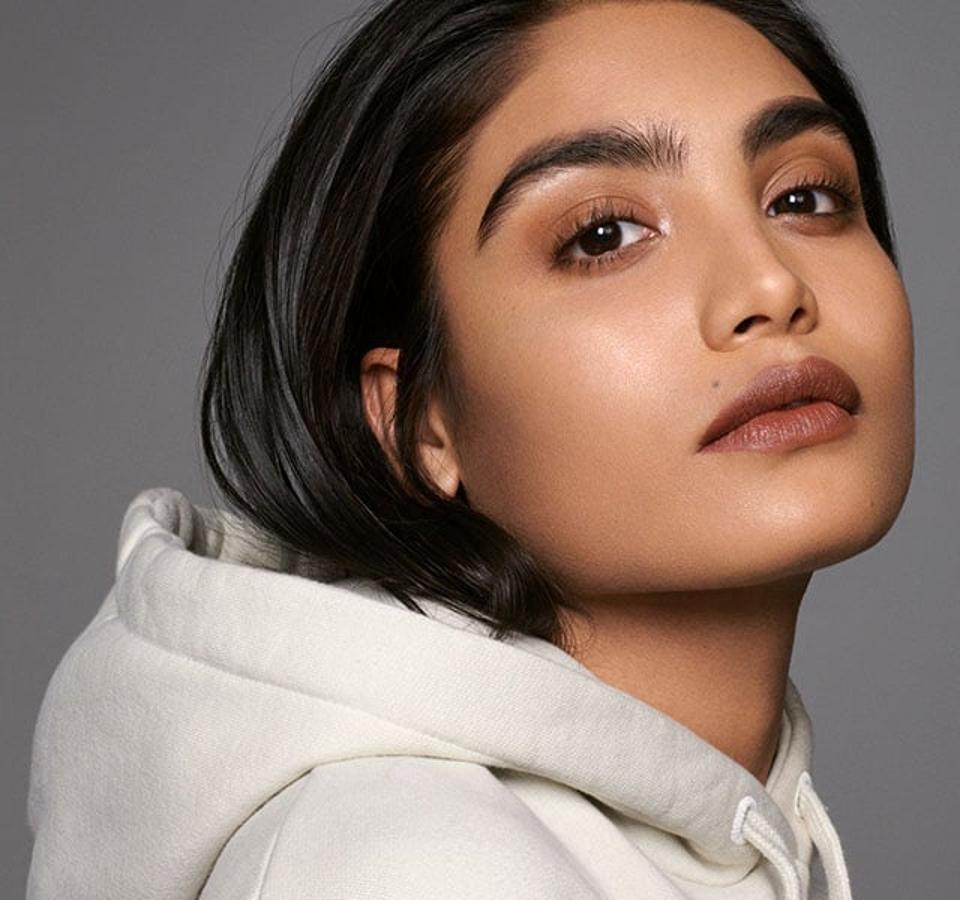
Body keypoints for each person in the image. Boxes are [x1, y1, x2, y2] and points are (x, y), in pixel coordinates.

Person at [25, 0, 915, 898]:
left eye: (805, 197)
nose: (770, 284)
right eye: (603, 235)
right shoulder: (413, 865)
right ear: (419, 420)